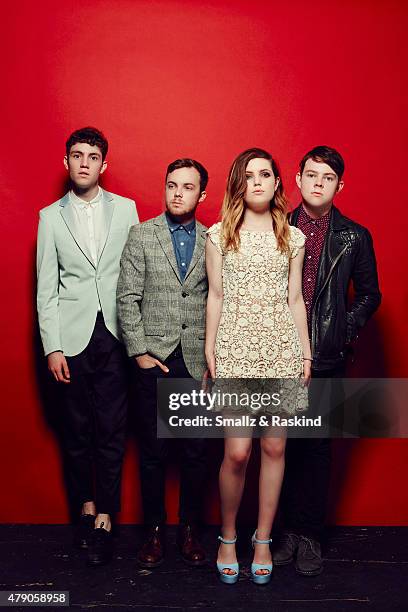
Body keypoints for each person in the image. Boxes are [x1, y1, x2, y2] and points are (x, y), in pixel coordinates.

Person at [205, 148, 312, 584]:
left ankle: (263, 538)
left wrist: (304, 353)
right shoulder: (218, 236)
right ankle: (228, 535)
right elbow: (214, 296)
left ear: (276, 182)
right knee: (238, 451)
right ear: (238, 183)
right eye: (248, 176)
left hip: (281, 352)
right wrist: (211, 350)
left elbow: (294, 299)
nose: (258, 182)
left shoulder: (293, 236)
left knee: (274, 448)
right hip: (233, 350)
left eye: (265, 174)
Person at [274, 145, 381, 576]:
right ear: (297, 179)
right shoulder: (277, 226)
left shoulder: (355, 235)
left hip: (324, 356)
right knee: (278, 446)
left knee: (316, 448)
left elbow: (371, 294)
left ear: (340, 185)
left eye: (328, 178)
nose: (318, 183)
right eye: (312, 175)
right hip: (278, 352)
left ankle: (309, 535)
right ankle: (283, 532)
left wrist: (342, 329)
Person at [36, 127, 139, 566]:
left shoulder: (127, 209)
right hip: (73, 335)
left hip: (117, 334)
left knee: (113, 431)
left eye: (92, 156)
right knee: (77, 432)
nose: (83, 162)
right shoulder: (49, 217)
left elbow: (138, 275)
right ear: (66, 162)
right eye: (76, 155)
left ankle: (107, 515)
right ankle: (85, 508)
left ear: (103, 164)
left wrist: (140, 339)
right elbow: (46, 289)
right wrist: (52, 347)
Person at [117, 158, 209, 568]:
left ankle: (190, 529)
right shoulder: (141, 234)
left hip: (196, 361)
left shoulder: (216, 239)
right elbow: (126, 297)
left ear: (201, 195)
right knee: (152, 454)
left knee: (195, 454)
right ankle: (153, 531)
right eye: (172, 185)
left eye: (188, 187)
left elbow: (220, 302)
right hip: (154, 359)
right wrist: (138, 352)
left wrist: (214, 357)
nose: (178, 193)